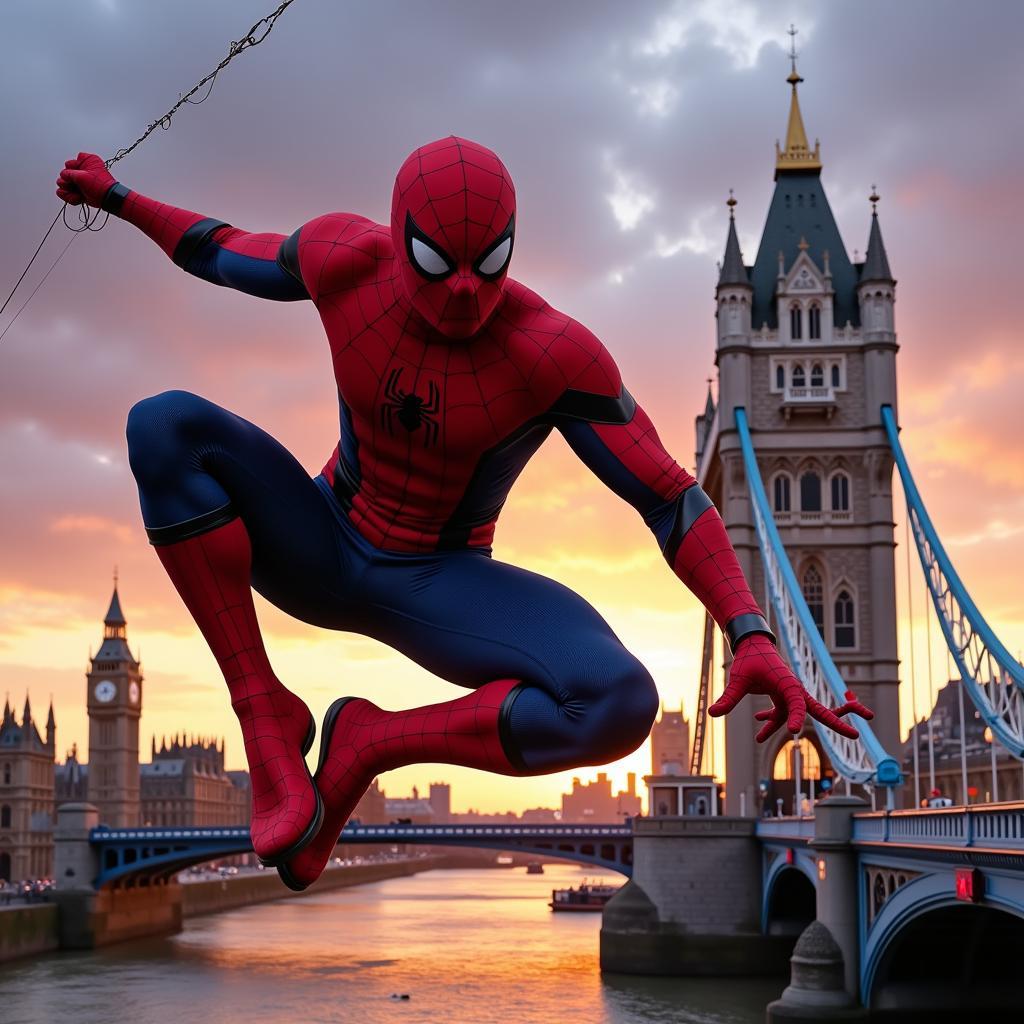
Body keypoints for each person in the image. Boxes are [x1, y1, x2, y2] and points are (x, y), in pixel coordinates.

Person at [56, 137, 871, 891]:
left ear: (515, 243)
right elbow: (218, 248)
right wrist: (117, 195)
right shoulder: (344, 259)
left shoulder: (552, 350)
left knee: (619, 702)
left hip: (441, 584)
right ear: (395, 232)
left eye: (488, 266)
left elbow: (670, 494)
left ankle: (367, 744)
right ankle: (262, 709)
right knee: (160, 425)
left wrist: (751, 630)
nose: (463, 293)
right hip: (318, 541)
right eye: (436, 263)